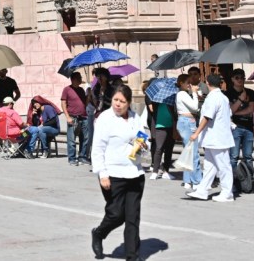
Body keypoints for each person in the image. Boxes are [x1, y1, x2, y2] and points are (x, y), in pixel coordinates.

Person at [91, 84, 147, 261]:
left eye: (122, 101)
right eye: (115, 100)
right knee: (116, 214)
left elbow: (144, 139)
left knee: (132, 217)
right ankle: (99, 233)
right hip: (113, 174)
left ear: (129, 103)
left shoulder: (135, 118)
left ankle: (132, 256)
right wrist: (102, 173)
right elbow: (97, 148)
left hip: (135, 173)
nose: (118, 104)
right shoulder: (105, 119)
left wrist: (144, 146)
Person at [187, 73, 235, 202]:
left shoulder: (213, 98)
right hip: (214, 137)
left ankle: (227, 192)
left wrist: (196, 133)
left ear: (207, 83)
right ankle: (202, 190)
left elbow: (207, 117)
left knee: (223, 165)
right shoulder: (222, 97)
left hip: (217, 138)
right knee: (210, 165)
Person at [176, 73, 202, 192]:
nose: (189, 85)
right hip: (187, 122)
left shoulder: (183, 94)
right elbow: (194, 107)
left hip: (186, 122)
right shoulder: (182, 94)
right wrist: (195, 94)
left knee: (188, 151)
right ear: (181, 83)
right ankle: (197, 181)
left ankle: (187, 180)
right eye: (187, 83)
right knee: (193, 153)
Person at [149, 84, 176, 181]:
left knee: (169, 149)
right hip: (160, 126)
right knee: (159, 149)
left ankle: (166, 171)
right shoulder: (156, 100)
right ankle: (155, 171)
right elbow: (152, 112)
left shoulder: (173, 98)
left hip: (171, 126)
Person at [62, 71, 90, 166]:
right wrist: (67, 116)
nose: (80, 80)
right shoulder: (67, 89)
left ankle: (82, 157)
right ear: (73, 79)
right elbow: (63, 103)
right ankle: (72, 158)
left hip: (83, 116)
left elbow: (85, 103)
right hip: (72, 117)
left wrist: (89, 95)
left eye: (80, 78)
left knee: (85, 138)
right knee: (71, 139)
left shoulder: (81, 90)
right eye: (79, 78)